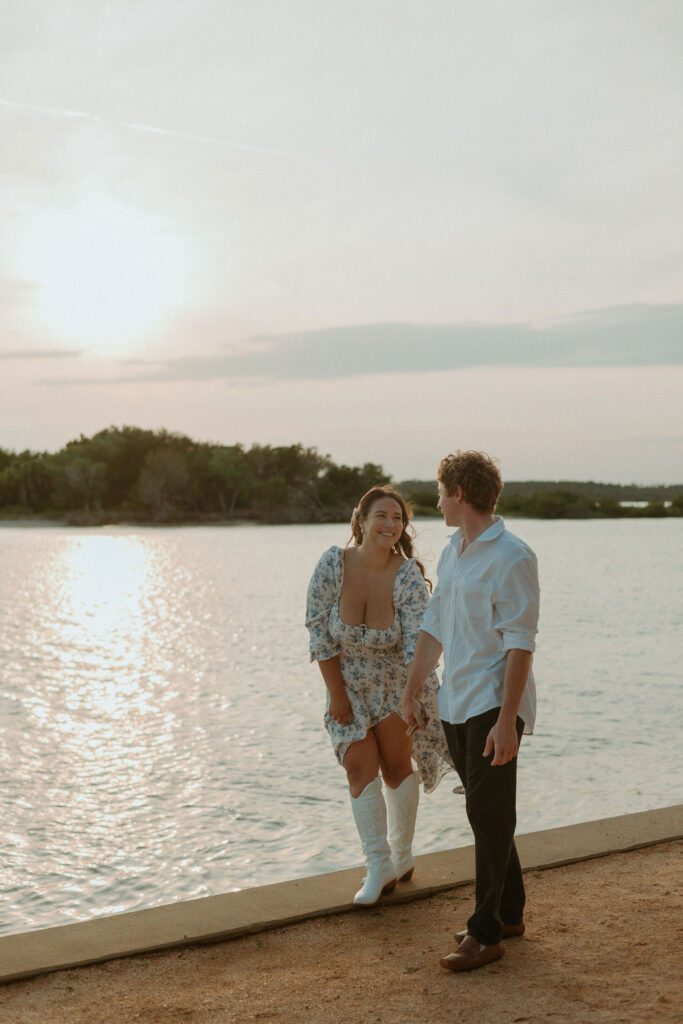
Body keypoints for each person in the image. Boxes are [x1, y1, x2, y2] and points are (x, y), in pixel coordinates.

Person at [400, 451, 539, 972]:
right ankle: (509, 913)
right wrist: (413, 691)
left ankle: (485, 935)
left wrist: (507, 721)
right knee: (486, 811)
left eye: (440, 492)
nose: (437, 502)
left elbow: (520, 643)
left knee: (489, 811)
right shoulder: (454, 552)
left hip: (494, 702)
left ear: (459, 492)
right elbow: (435, 624)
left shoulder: (512, 556)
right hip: (456, 701)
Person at [306, 485, 453, 905]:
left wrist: (412, 698)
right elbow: (318, 632)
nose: (391, 525)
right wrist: (336, 694)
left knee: (394, 766)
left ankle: (402, 857)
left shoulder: (407, 574)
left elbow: (416, 643)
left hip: (396, 685)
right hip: (345, 683)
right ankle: (377, 865)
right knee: (358, 767)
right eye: (382, 516)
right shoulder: (333, 564)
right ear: (362, 520)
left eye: (398, 518)